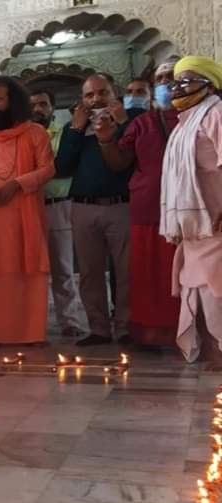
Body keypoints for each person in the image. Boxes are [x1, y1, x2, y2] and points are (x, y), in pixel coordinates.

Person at [94, 59, 182, 348]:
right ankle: (152, 335)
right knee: (149, 275)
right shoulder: (142, 123)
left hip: (190, 212)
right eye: (161, 78)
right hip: (147, 209)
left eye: (173, 76)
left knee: (188, 275)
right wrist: (106, 141)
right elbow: (120, 163)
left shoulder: (203, 118)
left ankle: (195, 333)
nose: (167, 83)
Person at [0, 76, 55, 345]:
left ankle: (30, 334)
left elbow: (49, 169)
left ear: (12, 102)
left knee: (26, 271)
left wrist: (17, 184)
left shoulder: (35, 133)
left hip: (24, 214)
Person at [55, 74, 139, 346]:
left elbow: (136, 158)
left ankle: (126, 327)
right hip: (83, 207)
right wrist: (77, 130)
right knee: (90, 272)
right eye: (89, 95)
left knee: (126, 271)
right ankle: (99, 329)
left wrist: (122, 123)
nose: (96, 99)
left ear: (115, 93)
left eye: (102, 92)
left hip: (120, 205)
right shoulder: (74, 128)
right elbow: (63, 167)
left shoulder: (131, 121)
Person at [160, 57, 222, 363]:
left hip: (217, 222)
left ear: (209, 84)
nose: (177, 87)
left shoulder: (216, 113)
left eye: (187, 80)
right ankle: (213, 353)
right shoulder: (185, 122)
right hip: (195, 228)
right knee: (197, 289)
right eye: (176, 81)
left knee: (217, 290)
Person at [30, 89, 88, 338]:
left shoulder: (64, 132)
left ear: (52, 108)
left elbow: (60, 167)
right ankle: (31, 324)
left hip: (58, 205)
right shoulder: (20, 136)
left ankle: (70, 322)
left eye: (43, 103)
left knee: (62, 267)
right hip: (27, 207)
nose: (38, 109)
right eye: (33, 105)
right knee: (30, 269)